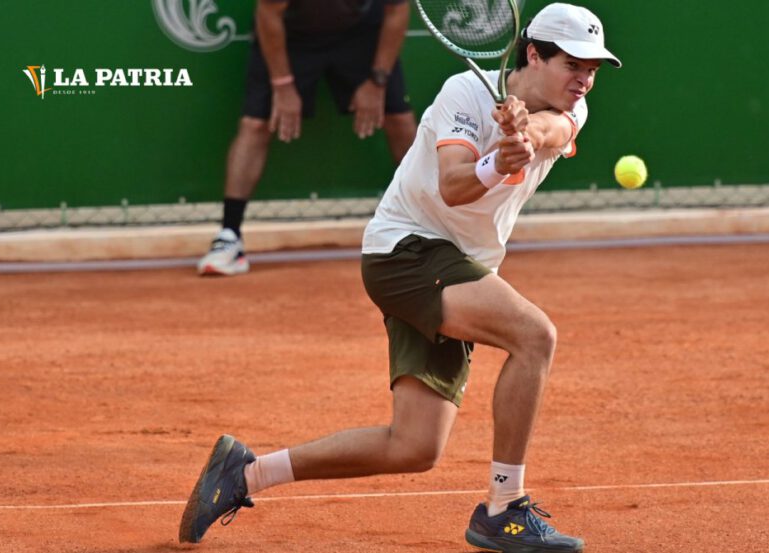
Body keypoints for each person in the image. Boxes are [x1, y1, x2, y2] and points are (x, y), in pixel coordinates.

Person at [179, 4, 621, 552]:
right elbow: (456, 186)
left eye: (593, 70)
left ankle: (245, 474)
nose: (584, 80)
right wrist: (498, 159)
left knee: (413, 447)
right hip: (405, 251)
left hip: (460, 266)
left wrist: (521, 133)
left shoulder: (572, 107)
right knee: (534, 336)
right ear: (534, 54)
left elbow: (552, 130)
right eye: (573, 65)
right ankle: (504, 508)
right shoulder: (464, 93)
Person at [197, 0, 418, 276]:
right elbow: (268, 11)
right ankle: (229, 236)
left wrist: (378, 82)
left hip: (361, 33)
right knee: (255, 123)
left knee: (399, 118)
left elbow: (397, 9)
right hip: (290, 34)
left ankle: (434, 229)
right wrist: (282, 85)